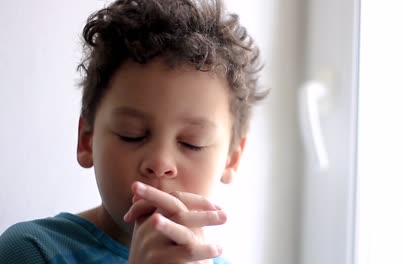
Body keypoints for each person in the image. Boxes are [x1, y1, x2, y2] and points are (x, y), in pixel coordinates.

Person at [0, 0, 267, 263]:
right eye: (132, 134)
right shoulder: (31, 251)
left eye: (191, 143)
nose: (160, 163)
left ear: (232, 158)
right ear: (87, 140)